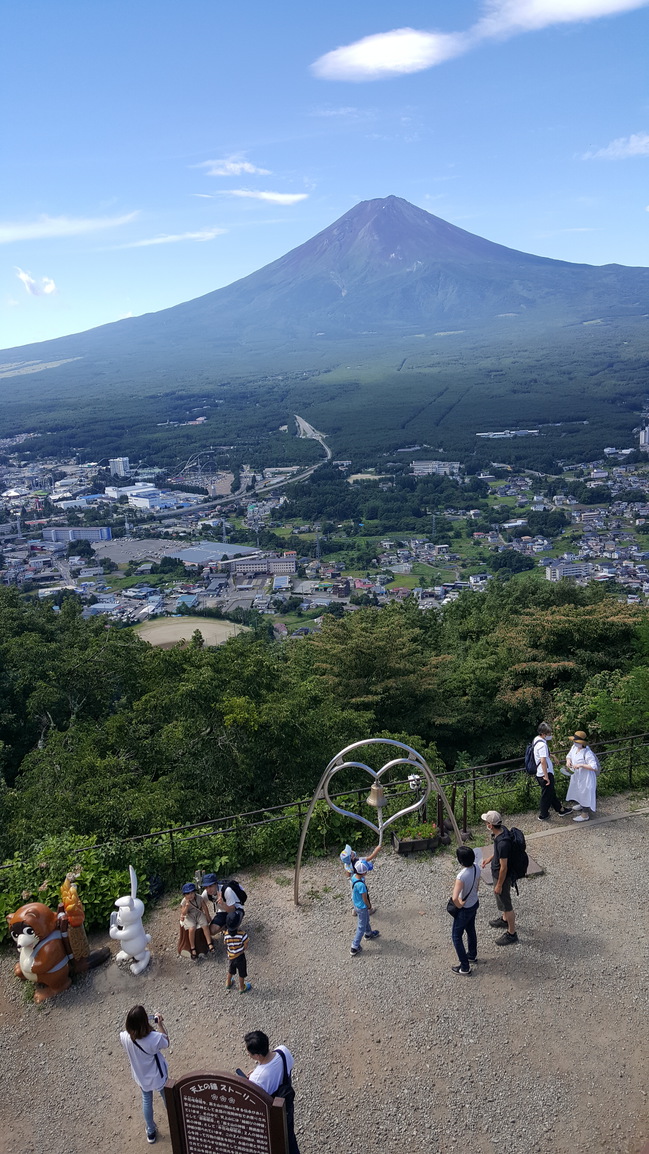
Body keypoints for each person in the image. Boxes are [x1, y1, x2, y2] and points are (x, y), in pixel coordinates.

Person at [120, 1004, 169, 1145]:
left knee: (146, 1100)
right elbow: (166, 1042)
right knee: (166, 1096)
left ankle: (150, 1131)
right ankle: (174, 1120)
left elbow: (128, 1032)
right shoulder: (154, 1038)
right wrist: (160, 1024)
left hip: (141, 1075)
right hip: (157, 1074)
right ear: (144, 1022)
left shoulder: (124, 1037)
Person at [244, 1030, 300, 1154]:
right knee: (290, 1137)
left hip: (272, 1116)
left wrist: (253, 1076)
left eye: (249, 1052)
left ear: (258, 1055)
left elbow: (254, 1102)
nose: (248, 1054)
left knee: (275, 1144)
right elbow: (287, 1067)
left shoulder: (257, 1078)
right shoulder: (283, 1051)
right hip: (287, 1103)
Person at [481, 810, 519, 946]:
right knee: (503, 902)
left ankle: (512, 933)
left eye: (486, 822)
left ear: (490, 825)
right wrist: (490, 859)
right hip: (498, 873)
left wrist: (499, 885)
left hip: (501, 876)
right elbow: (499, 854)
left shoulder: (502, 843)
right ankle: (504, 920)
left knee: (506, 904)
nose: (485, 824)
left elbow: (504, 867)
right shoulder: (502, 832)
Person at [449, 845, 481, 975]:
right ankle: (472, 955)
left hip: (464, 908)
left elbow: (455, 897)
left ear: (460, 861)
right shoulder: (476, 868)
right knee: (470, 929)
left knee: (456, 936)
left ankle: (464, 966)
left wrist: (459, 905)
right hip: (474, 903)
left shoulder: (461, 876)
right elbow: (477, 886)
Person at [533, 722, 572, 822]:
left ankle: (560, 809)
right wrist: (546, 776)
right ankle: (543, 814)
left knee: (550, 792)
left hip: (540, 772)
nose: (550, 736)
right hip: (544, 773)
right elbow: (543, 761)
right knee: (546, 795)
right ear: (544, 734)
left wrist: (553, 756)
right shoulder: (542, 745)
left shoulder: (537, 740)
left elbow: (544, 755)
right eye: (549, 733)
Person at [565, 730, 600, 821]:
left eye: (577, 742)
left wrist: (581, 765)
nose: (575, 743)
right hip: (577, 775)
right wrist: (568, 761)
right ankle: (581, 805)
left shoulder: (587, 752)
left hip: (586, 777)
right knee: (578, 791)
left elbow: (594, 766)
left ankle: (585, 814)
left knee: (585, 793)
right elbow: (569, 756)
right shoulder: (574, 747)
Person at [350, 860, 379, 956]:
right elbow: (365, 898)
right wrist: (369, 906)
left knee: (365, 920)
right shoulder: (361, 885)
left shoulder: (354, 877)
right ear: (363, 872)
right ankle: (354, 946)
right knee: (361, 926)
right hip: (362, 907)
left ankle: (369, 933)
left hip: (356, 904)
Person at [340, 843, 381, 913]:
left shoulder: (346, 864)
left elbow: (348, 874)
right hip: (360, 881)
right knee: (364, 894)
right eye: (351, 852)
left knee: (355, 895)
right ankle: (369, 909)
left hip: (353, 882)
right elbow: (369, 858)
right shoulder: (358, 861)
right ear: (352, 857)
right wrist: (376, 850)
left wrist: (350, 877)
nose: (352, 851)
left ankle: (355, 909)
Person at [179, 882, 213, 960]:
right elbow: (183, 913)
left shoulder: (199, 897)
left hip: (199, 913)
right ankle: (192, 947)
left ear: (195, 892)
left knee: (205, 925)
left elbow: (204, 906)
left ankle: (209, 942)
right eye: (188, 894)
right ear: (185, 895)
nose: (190, 895)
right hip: (189, 915)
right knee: (192, 928)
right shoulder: (184, 901)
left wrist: (207, 916)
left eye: (192, 893)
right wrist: (187, 906)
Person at [224, 912, 251, 993]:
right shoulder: (242, 934)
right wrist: (243, 948)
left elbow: (225, 943)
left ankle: (228, 983)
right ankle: (242, 988)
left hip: (231, 956)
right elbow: (246, 945)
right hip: (240, 957)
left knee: (231, 970)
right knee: (241, 973)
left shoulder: (226, 934)